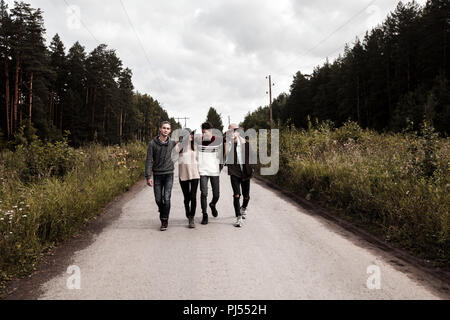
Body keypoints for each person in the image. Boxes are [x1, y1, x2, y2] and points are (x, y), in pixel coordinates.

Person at [145, 121, 177, 231]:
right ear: (160, 129)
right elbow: (149, 160)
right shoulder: (152, 144)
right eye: (164, 128)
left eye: (168, 128)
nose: (165, 130)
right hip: (157, 175)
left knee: (166, 198)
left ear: (170, 131)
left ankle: (164, 220)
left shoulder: (173, 143)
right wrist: (148, 176)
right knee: (158, 199)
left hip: (169, 174)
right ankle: (161, 208)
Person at [225, 124, 256, 228]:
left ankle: (243, 208)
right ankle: (238, 218)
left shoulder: (246, 144)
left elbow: (252, 156)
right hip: (234, 172)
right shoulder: (228, 144)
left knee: (246, 196)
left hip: (245, 172)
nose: (232, 133)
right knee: (237, 195)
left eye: (234, 131)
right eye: (230, 131)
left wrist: (252, 168)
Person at [197, 122, 224, 225]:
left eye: (206, 132)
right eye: (203, 132)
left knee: (216, 194)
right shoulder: (199, 141)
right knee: (203, 193)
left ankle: (212, 204)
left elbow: (223, 152)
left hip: (214, 170)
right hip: (203, 170)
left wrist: (221, 165)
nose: (204, 135)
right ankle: (205, 215)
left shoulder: (218, 140)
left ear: (211, 131)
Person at [175, 128, 200, 229]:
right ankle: (187, 209)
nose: (191, 136)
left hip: (194, 174)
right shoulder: (179, 146)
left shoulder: (196, 146)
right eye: (189, 135)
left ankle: (191, 218)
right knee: (187, 197)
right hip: (183, 174)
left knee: (193, 196)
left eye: (192, 135)